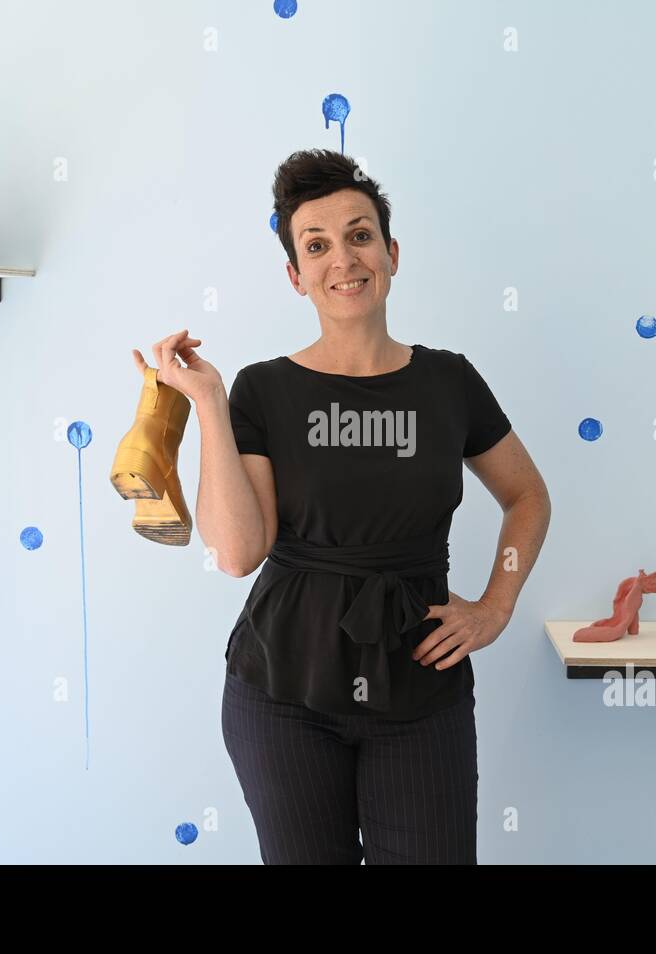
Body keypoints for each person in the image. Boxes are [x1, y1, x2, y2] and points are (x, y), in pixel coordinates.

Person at [134, 149, 550, 864]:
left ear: (391, 253)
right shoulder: (262, 391)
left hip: (421, 690)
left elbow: (526, 496)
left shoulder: (450, 382)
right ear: (296, 276)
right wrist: (208, 402)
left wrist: (496, 605)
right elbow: (235, 554)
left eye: (360, 235)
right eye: (316, 245)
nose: (343, 259)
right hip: (282, 694)